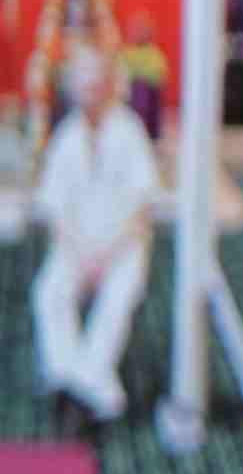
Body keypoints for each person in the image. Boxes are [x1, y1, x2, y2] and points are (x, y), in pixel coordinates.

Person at [24, 36, 157, 427]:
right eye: (82, 79)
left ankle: (79, 388)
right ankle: (78, 381)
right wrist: (80, 252)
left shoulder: (130, 132)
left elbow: (142, 208)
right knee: (49, 292)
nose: (89, 88)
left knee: (117, 299)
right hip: (76, 245)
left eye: (96, 79)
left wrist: (106, 254)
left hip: (123, 246)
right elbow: (54, 210)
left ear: (110, 83)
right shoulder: (66, 136)